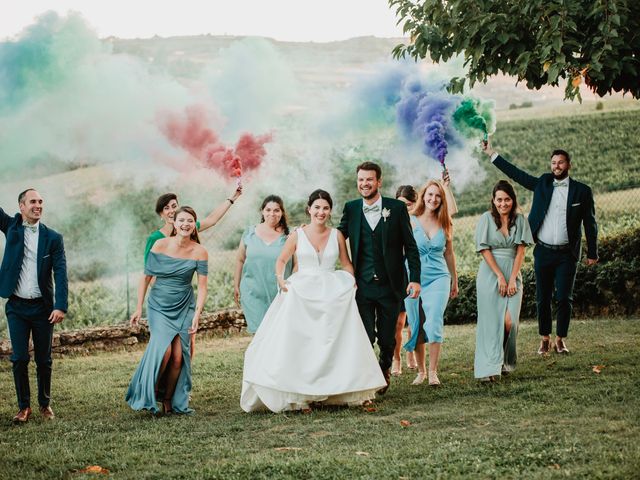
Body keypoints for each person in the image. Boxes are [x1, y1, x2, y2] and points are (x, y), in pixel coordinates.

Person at [241, 190, 386, 412]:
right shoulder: (297, 235)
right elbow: (281, 260)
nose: (321, 212)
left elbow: (346, 263)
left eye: (325, 208)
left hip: (331, 291)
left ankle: (340, 389)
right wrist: (280, 279)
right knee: (303, 342)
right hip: (302, 290)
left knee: (334, 340)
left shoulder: (337, 235)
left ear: (329, 211)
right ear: (309, 209)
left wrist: (350, 279)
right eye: (317, 207)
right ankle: (300, 395)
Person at [482, 142, 598, 354]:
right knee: (542, 297)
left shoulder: (582, 191)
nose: (556, 166)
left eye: (560, 162)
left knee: (564, 297)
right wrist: (491, 153)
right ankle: (544, 338)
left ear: (568, 165)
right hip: (543, 251)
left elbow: (590, 224)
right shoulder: (543, 183)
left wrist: (592, 252)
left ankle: (560, 339)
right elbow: (516, 174)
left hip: (567, 254)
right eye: (553, 162)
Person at [338, 162, 421, 394]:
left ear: (379, 182)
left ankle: (384, 366)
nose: (364, 184)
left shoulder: (396, 208)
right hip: (362, 286)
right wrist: (309, 233)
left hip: (390, 285)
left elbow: (411, 247)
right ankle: (367, 379)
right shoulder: (352, 208)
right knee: (365, 335)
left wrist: (415, 278)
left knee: (387, 338)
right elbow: (337, 235)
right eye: (361, 180)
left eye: (369, 180)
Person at [142, 185, 241, 358]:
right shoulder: (156, 239)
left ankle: (182, 379)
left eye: (174, 206)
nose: (171, 210)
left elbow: (212, 220)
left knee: (188, 341)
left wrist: (232, 198)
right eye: (166, 208)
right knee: (166, 348)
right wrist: (165, 295)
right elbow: (148, 273)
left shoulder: (186, 226)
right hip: (164, 301)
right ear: (161, 215)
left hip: (184, 299)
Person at [127, 206, 208, 414]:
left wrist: (197, 314)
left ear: (194, 224)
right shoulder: (159, 244)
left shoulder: (200, 251)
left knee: (179, 357)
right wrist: (138, 308)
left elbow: (202, 287)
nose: (185, 224)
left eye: (190, 221)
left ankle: (169, 399)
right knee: (164, 353)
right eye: (181, 220)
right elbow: (146, 277)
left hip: (184, 306)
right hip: (159, 305)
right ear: (174, 222)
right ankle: (152, 393)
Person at [0, 189, 68, 423]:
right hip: (16, 307)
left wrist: (60, 306)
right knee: (19, 358)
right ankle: (23, 407)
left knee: (44, 359)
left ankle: (45, 404)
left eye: (40, 201)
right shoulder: (12, 227)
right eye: (33, 202)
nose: (38, 205)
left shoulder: (53, 238)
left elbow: (61, 274)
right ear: (21, 206)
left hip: (43, 309)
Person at [474, 181, 534, 381]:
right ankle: (489, 366)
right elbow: (484, 249)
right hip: (490, 274)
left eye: (507, 199)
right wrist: (500, 276)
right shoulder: (486, 219)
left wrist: (512, 279)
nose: (503, 203)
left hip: (513, 273)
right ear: (493, 200)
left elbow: (521, 251)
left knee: (509, 322)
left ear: (513, 200)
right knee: (490, 323)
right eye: (499, 199)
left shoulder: (520, 220)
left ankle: (503, 360)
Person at [407, 179, 459, 386]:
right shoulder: (410, 220)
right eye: (430, 194)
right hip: (414, 278)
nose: (433, 199)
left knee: (434, 320)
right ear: (423, 196)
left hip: (439, 277)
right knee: (415, 323)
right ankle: (420, 371)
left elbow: (449, 253)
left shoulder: (445, 222)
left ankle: (433, 371)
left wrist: (454, 279)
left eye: (438, 196)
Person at [233, 195, 294, 334]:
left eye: (276, 210)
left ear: (282, 212)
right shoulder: (249, 233)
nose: (272, 214)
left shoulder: (290, 235)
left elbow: (296, 263)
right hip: (253, 292)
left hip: (280, 293)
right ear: (262, 211)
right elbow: (240, 260)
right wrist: (236, 285)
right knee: (260, 334)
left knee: (279, 334)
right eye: (268, 210)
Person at [391, 185, 419, 375]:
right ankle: (396, 358)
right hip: (398, 273)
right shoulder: (391, 221)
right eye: (401, 204)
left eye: (408, 205)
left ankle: (411, 352)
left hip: (416, 273)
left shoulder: (419, 222)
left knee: (414, 320)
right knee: (398, 322)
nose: (405, 209)